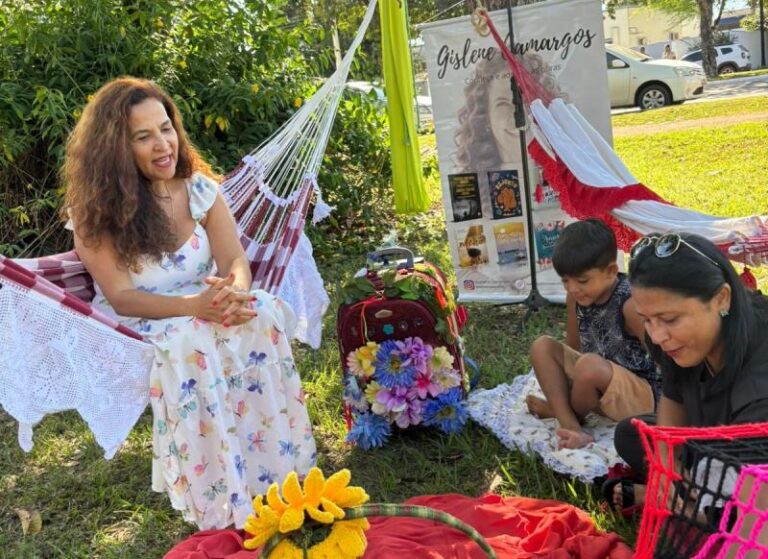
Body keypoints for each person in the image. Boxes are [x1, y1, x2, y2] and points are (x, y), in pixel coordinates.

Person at [62, 77, 317, 529]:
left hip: (208, 302)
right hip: (145, 321)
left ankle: (276, 464)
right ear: (114, 149)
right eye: (143, 137)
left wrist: (234, 292)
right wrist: (195, 306)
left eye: (166, 128)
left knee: (264, 314)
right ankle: (219, 488)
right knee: (192, 342)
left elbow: (234, 257)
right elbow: (121, 296)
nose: (164, 144)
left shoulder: (199, 190)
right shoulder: (95, 214)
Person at [607, 232, 768, 516]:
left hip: (753, 464)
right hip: (710, 445)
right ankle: (682, 496)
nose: (656, 336)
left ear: (722, 299)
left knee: (730, 498)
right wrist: (666, 466)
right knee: (631, 434)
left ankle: (687, 509)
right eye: (646, 319)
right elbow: (674, 397)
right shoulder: (673, 341)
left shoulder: (759, 377)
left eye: (670, 319)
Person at [525, 219, 659, 449]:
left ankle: (563, 411)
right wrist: (565, 381)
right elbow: (574, 348)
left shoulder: (630, 305)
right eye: (566, 281)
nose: (573, 288)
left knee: (588, 366)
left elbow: (662, 362)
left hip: (641, 396)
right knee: (542, 346)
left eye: (582, 281)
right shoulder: (575, 297)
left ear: (611, 271)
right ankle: (571, 425)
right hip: (594, 385)